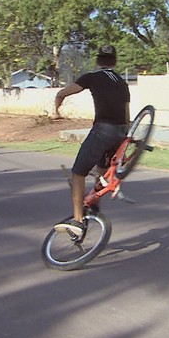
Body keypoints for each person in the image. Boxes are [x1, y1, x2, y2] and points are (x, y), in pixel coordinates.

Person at [51, 45, 130, 236]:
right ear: (115, 61)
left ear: (97, 61)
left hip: (103, 130)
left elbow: (62, 93)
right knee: (101, 173)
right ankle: (94, 207)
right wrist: (124, 143)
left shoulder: (92, 77)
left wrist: (56, 111)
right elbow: (127, 116)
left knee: (78, 173)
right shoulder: (122, 82)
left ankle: (78, 221)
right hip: (121, 132)